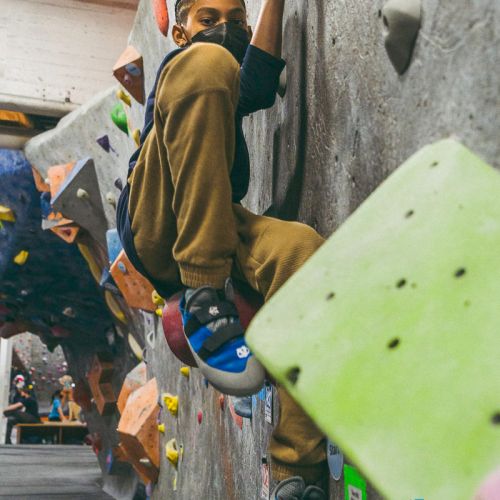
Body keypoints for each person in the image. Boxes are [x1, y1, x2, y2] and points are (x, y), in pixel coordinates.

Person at [117, 0, 328, 497]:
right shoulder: (184, 67)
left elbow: (255, 83)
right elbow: (219, 67)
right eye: (208, 20)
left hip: (215, 218)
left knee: (303, 252)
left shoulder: (225, 78)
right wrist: (204, 279)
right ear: (181, 33)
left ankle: (294, 467)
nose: (225, 29)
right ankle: (203, 289)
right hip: (157, 215)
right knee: (210, 65)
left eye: (236, 20)